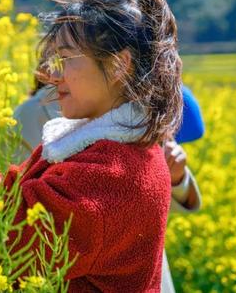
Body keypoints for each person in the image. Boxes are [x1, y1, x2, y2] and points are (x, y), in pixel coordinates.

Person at [0, 0, 184, 292]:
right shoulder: (104, 151)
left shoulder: (110, 175)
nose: (51, 74)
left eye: (67, 58)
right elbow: (8, 210)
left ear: (118, 65)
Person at [13, 82, 204, 293]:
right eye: (58, 57)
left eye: (67, 57)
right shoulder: (33, 114)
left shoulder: (134, 110)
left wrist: (178, 178)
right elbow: (20, 205)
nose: (57, 72)